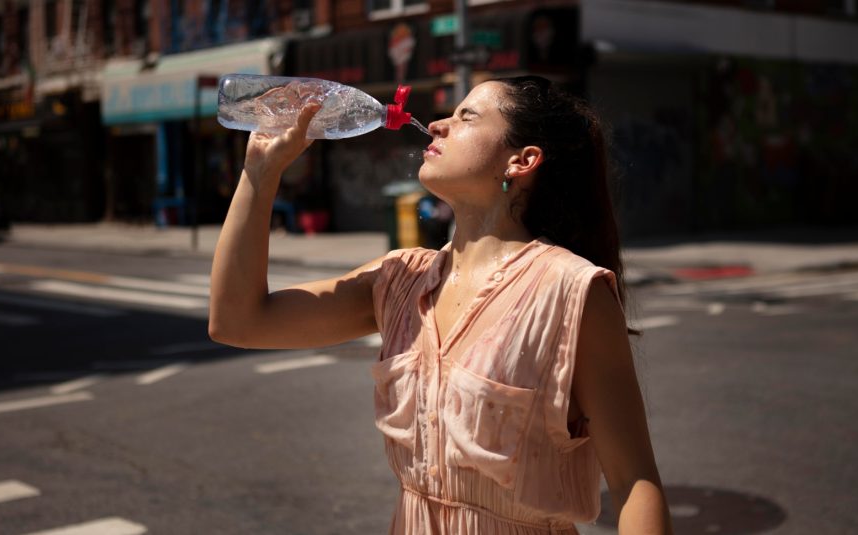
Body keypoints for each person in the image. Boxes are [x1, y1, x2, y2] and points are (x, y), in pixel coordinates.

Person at [209, 75, 672, 535]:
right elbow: (238, 322)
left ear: (522, 161)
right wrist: (261, 172)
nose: (436, 125)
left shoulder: (571, 291)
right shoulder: (398, 280)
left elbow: (635, 484)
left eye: (465, 116)